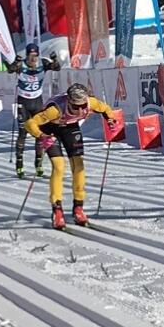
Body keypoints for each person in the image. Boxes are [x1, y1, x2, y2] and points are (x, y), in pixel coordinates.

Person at [23, 83, 117, 229]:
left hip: (70, 128)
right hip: (49, 130)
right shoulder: (55, 110)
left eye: (82, 106)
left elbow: (106, 109)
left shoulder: (91, 102)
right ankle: (57, 210)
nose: (80, 110)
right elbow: (30, 123)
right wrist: (41, 136)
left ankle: (78, 207)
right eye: (75, 107)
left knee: (79, 166)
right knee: (59, 167)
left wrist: (110, 120)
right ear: (69, 102)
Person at [7, 43, 62, 178]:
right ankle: (19, 164)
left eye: (36, 56)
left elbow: (57, 68)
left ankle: (38, 163)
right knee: (23, 133)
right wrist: (15, 62)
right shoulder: (21, 64)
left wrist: (55, 59)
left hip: (37, 102)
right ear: (27, 55)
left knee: (40, 133)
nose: (33, 59)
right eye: (31, 56)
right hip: (24, 102)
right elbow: (10, 70)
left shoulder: (43, 63)